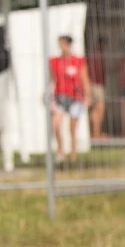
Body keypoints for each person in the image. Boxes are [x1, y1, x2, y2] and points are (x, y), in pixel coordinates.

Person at [48, 35, 91, 165]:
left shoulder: (78, 61)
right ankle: (60, 151)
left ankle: (73, 154)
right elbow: (52, 79)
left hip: (75, 97)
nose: (61, 47)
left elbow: (84, 79)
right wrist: (47, 94)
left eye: (63, 44)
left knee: (72, 128)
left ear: (69, 45)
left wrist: (88, 96)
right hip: (59, 96)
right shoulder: (54, 61)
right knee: (56, 124)